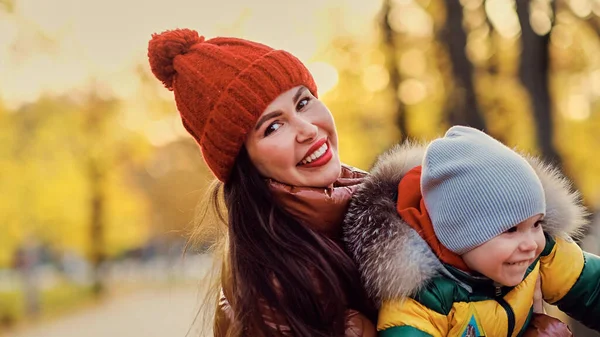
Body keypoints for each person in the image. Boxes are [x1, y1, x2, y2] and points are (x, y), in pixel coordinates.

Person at [147, 29, 376, 336]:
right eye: (273, 127)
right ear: (244, 164)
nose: (307, 129)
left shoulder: (373, 202)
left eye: (303, 102)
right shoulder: (278, 287)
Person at [343, 126, 597, 336]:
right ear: (459, 233)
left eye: (536, 224)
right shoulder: (420, 303)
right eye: (510, 229)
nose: (531, 242)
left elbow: (593, 289)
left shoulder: (539, 255)